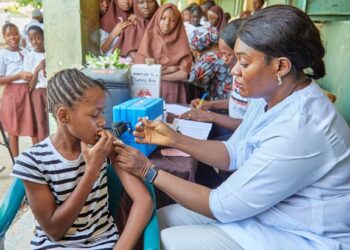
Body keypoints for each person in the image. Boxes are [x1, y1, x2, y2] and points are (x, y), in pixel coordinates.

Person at [113, 5, 350, 250]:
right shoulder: (269, 97)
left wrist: (148, 171)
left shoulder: (301, 128)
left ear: (280, 66)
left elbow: (221, 206)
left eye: (244, 63)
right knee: (162, 218)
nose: (233, 70)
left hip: (301, 235)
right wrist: (174, 139)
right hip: (268, 212)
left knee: (165, 241)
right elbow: (233, 153)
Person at [11, 69, 153, 249]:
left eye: (103, 112)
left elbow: (144, 201)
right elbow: (54, 231)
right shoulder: (32, 162)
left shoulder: (106, 148)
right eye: (94, 115)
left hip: (103, 243)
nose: (102, 121)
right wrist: (92, 170)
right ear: (64, 116)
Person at [183, 20, 247, 133]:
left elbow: (248, 126)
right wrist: (211, 105)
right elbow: (237, 102)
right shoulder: (236, 70)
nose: (223, 59)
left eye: (229, 55)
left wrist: (209, 116)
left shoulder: (252, 80)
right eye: (222, 54)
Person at [134, 3, 192, 104]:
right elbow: (140, 70)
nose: (167, 23)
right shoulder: (149, 36)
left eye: (173, 20)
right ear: (157, 19)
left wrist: (156, 75)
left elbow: (183, 74)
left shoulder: (181, 41)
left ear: (178, 22)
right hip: (148, 90)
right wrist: (170, 69)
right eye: (163, 18)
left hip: (172, 90)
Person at [0, 23, 35, 158]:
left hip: (28, 92)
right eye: (8, 35)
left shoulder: (26, 52)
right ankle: (16, 161)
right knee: (13, 129)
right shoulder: (3, 54)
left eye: (15, 33)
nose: (13, 37)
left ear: (19, 35)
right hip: (12, 93)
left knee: (32, 127)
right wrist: (19, 76)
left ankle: (36, 159)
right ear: (4, 37)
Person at [23, 25, 49, 143]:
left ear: (43, 37)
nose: (35, 41)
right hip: (38, 93)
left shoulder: (50, 53)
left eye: (38, 38)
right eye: (32, 39)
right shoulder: (29, 57)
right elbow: (31, 85)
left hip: (51, 90)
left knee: (52, 121)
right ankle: (44, 149)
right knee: (41, 122)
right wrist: (37, 70)